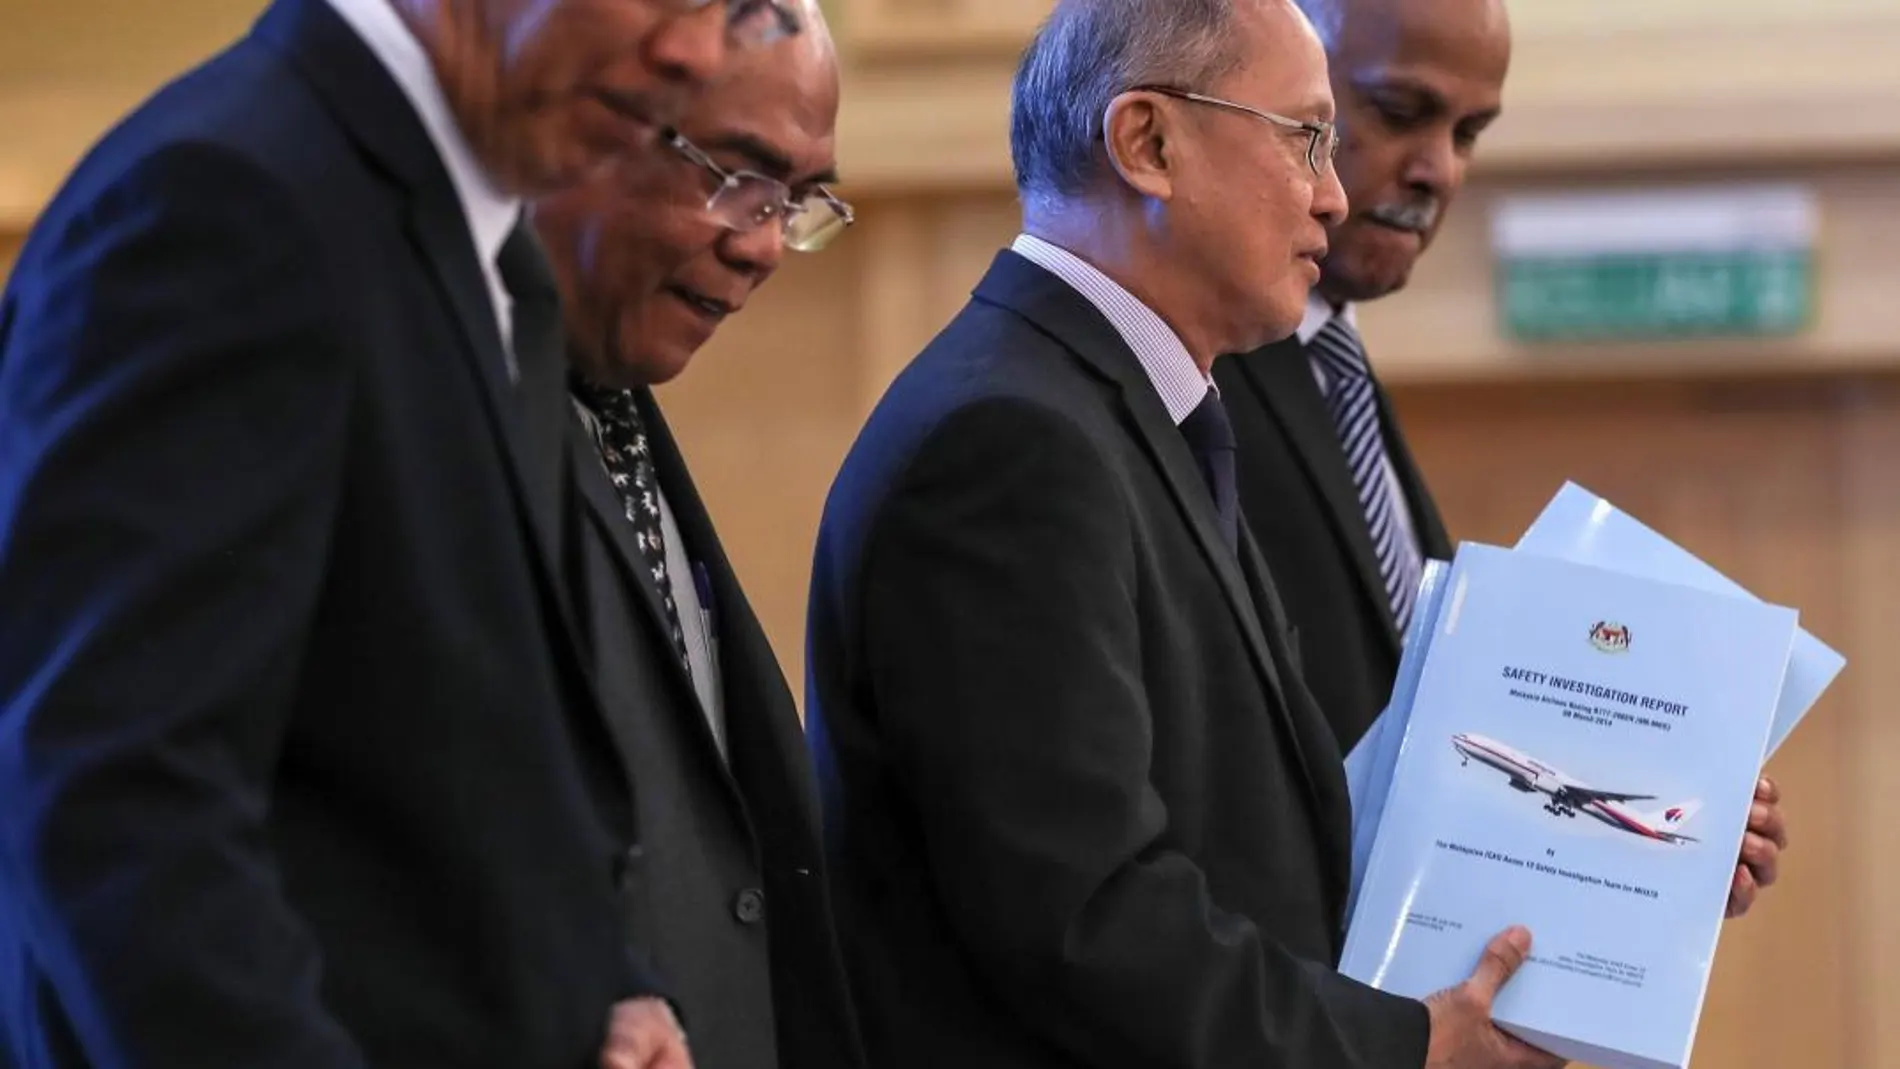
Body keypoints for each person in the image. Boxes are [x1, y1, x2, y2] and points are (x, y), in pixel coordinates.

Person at [0, 1, 806, 1067]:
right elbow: (118, 815)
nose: (692, 51)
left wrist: (601, 993)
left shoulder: (493, 254)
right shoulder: (223, 200)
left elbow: (448, 752)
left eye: (728, 7)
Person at [804, 1, 1561, 1066]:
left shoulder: (1126, 414)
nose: (1332, 194)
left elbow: (1275, 832)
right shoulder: (1009, 442)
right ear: (1147, 143)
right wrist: (1403, 1049)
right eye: (1306, 138)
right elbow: (1083, 916)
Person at [1209, 0, 1787, 920]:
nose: (1438, 167)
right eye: (1399, 111)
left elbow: (1414, 765)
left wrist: (1650, 850)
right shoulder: (1197, 378)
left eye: (1470, 131)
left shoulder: (1335, 370)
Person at [526, 5, 862, 1068]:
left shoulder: (616, 400)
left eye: (801, 202)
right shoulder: (436, 412)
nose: (765, 244)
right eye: (738, 175)